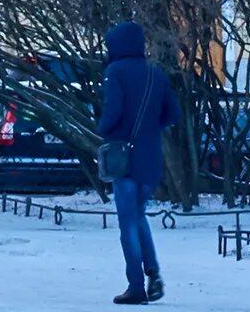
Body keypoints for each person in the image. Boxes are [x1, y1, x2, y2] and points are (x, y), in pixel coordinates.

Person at [99, 21, 181, 304]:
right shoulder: (155, 74)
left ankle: (136, 285)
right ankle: (153, 271)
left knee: (127, 223)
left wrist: (104, 129)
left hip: (125, 158)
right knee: (138, 214)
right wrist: (148, 129)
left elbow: (113, 112)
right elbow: (173, 113)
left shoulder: (115, 72)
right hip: (151, 157)